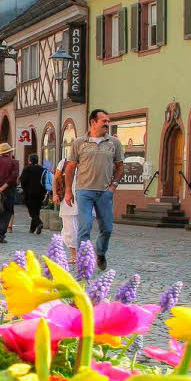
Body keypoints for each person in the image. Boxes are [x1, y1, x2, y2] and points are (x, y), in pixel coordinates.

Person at [65, 109, 124, 271]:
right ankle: (84, 262)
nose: (107, 124)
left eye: (108, 121)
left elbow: (120, 166)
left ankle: (100, 253)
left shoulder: (114, 143)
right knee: (85, 226)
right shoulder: (79, 143)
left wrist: (113, 186)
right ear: (93, 122)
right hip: (84, 190)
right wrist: (68, 191)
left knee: (107, 228)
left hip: (105, 192)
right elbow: (70, 168)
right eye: (104, 121)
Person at [0, 142, 20, 243]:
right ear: (9, 152)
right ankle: (0, 234)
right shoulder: (14, 162)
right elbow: (13, 176)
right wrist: (3, 187)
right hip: (8, 190)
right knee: (7, 211)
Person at [53, 158, 79, 262]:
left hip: (83, 198)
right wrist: (55, 194)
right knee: (69, 227)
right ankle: (74, 255)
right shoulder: (64, 162)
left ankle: (83, 253)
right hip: (67, 198)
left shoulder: (87, 160)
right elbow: (56, 178)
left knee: (83, 227)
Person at [20, 153, 47, 234]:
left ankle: (39, 223)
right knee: (37, 210)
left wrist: (24, 190)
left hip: (29, 193)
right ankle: (32, 229)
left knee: (32, 211)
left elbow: (23, 181)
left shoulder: (27, 169)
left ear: (29, 160)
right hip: (40, 192)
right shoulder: (41, 168)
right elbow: (44, 180)